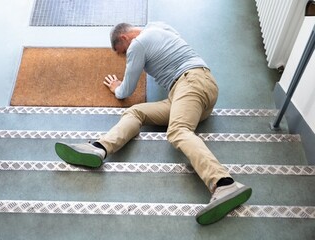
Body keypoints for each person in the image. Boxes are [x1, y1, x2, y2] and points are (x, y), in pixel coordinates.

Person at [54, 22, 252, 225]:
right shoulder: (158, 26)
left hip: (190, 82)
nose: (125, 56)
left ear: (124, 38)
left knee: (178, 131)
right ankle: (99, 148)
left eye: (122, 53)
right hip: (194, 91)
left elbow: (126, 90)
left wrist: (116, 87)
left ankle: (224, 183)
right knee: (136, 112)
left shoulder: (137, 44)